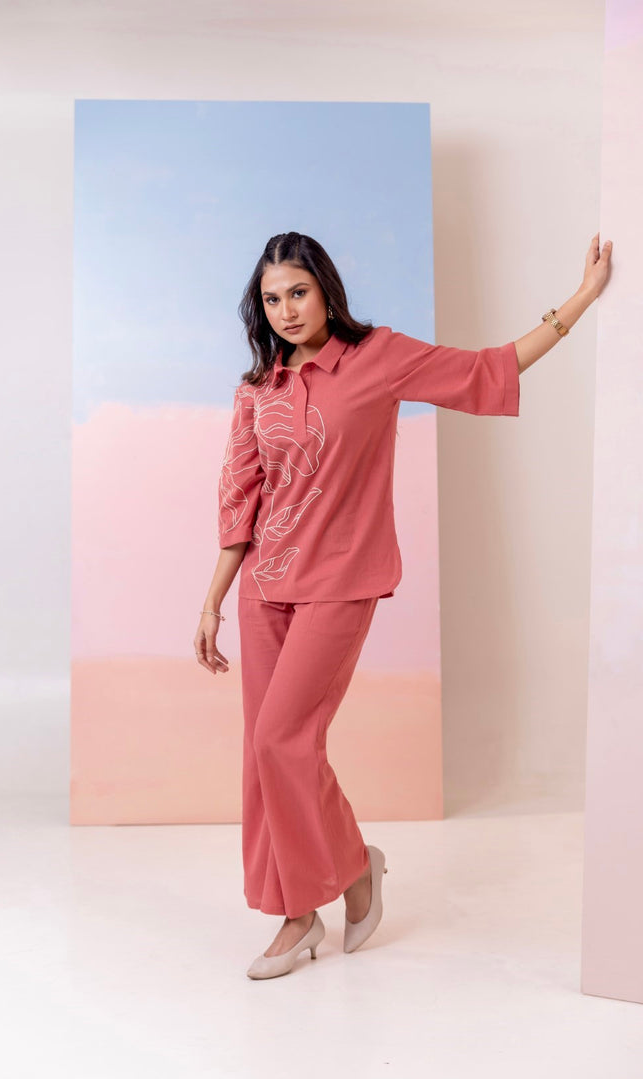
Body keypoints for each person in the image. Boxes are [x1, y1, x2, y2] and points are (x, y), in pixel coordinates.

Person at [193, 230, 613, 980]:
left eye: (298, 292)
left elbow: (484, 370)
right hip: (263, 588)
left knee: (282, 740)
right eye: (272, 298)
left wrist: (579, 299)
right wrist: (213, 599)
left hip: (340, 582)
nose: (287, 310)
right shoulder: (258, 389)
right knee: (268, 752)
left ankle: (317, 901)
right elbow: (240, 498)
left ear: (326, 292)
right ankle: (332, 883)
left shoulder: (376, 358)